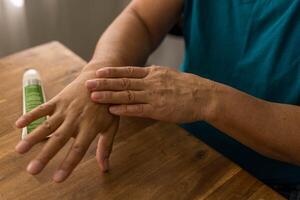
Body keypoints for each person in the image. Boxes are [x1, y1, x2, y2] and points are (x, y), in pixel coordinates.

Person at [15, 0, 300, 198]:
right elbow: (140, 18)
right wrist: (101, 74)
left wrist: (207, 99)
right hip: (189, 149)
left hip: (277, 182)